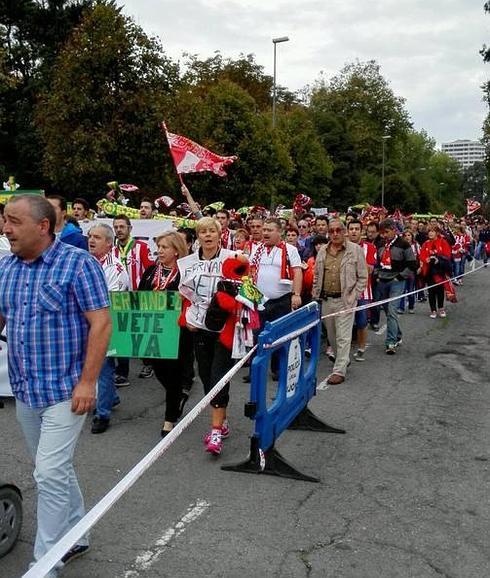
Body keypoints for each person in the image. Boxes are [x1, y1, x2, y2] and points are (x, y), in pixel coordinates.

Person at [0, 195, 111, 575]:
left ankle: (45, 564)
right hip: (26, 389)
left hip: (67, 390)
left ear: (43, 226)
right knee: (53, 468)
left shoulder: (78, 264)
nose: (5, 229)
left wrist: (88, 382)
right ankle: (77, 535)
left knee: (48, 473)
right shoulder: (6, 267)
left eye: (13, 221)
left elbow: (101, 323)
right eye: (4, 220)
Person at [178, 217, 236, 456]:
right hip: (200, 327)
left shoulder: (233, 258)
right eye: (203, 232)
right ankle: (221, 420)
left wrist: (230, 303)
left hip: (225, 329)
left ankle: (214, 432)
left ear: (219, 234)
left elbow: (246, 291)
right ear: (198, 236)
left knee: (219, 376)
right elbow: (184, 295)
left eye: (212, 231)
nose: (208, 235)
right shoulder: (188, 262)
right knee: (205, 376)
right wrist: (185, 317)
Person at [139, 231, 191, 437]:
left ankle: (169, 419)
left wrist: (179, 296)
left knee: (174, 372)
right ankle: (178, 395)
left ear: (176, 251)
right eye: (158, 246)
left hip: (178, 331)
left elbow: (193, 297)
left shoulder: (185, 272)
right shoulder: (151, 270)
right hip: (154, 329)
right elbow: (140, 295)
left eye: (164, 247)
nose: (159, 251)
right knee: (158, 369)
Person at [312, 219, 367, 384]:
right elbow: (317, 274)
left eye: (338, 230)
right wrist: (316, 292)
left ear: (344, 232)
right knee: (332, 335)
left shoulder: (355, 250)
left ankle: (339, 371)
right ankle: (342, 359)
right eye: (332, 231)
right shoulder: (322, 250)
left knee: (343, 336)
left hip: (345, 300)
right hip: (326, 300)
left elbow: (363, 277)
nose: (335, 234)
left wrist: (354, 296)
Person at [87, 224, 129, 434]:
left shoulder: (116, 269)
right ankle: (110, 397)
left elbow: (110, 303)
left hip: (105, 324)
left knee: (102, 368)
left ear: (109, 243)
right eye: (90, 236)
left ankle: (102, 414)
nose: (91, 240)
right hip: (86, 321)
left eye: (97, 237)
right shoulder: (85, 262)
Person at [249, 218, 303, 380]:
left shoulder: (290, 250)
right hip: (259, 300)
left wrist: (297, 294)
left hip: (281, 300)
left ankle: (278, 369)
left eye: (269, 230)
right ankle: (256, 370)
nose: (264, 233)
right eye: (264, 230)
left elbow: (297, 272)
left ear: (279, 232)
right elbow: (250, 271)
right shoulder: (257, 249)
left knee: (279, 336)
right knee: (256, 337)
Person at [112, 214, 154, 382]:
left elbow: (151, 270)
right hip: (119, 297)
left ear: (130, 228)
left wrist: (147, 292)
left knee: (141, 331)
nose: (119, 230)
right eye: (116, 227)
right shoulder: (112, 250)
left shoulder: (141, 247)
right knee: (122, 334)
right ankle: (122, 372)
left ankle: (148, 363)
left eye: (122, 227)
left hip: (139, 295)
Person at [374, 219, 417, 354]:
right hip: (382, 280)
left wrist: (400, 276)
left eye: (386, 232)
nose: (384, 235)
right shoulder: (380, 244)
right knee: (387, 311)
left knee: (392, 309)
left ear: (393, 229)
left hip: (397, 281)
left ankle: (390, 342)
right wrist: (376, 274)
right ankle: (397, 334)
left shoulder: (404, 244)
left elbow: (412, 264)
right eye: (382, 233)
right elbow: (376, 262)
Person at [347, 219, 376, 362]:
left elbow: (370, 269)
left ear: (361, 231)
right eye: (351, 229)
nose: (353, 231)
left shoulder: (370, 248)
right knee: (344, 322)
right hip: (345, 291)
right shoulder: (341, 247)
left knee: (362, 321)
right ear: (347, 231)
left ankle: (361, 348)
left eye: (356, 229)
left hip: (364, 291)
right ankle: (341, 350)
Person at [419, 225, 452, 318]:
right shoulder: (425, 243)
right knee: (431, 291)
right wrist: (427, 259)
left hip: (440, 271)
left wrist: (438, 259)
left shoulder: (443, 242)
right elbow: (421, 255)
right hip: (429, 270)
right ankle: (433, 310)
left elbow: (447, 256)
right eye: (429, 231)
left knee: (440, 290)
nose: (430, 233)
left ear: (437, 233)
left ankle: (441, 308)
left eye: (433, 231)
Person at [397, 230, 420, 314]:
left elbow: (420, 257)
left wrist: (419, 267)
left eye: (409, 235)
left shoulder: (416, 246)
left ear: (412, 236)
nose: (407, 237)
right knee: (402, 290)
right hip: (402, 271)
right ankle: (401, 307)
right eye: (405, 235)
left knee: (410, 290)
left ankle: (411, 306)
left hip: (412, 271)